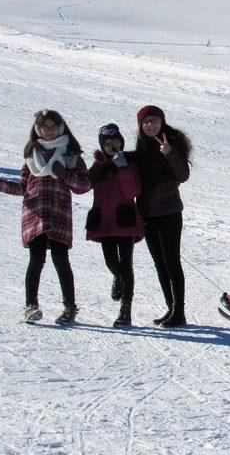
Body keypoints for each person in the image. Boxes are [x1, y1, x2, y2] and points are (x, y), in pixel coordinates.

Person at [0, 110, 91, 324]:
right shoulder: (32, 156)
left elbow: (84, 185)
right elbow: (23, 187)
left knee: (61, 260)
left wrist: (65, 175)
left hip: (58, 213)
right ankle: (31, 305)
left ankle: (70, 308)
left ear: (60, 128)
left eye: (52, 126)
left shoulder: (70, 155)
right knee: (36, 260)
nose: (48, 130)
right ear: (37, 129)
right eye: (43, 127)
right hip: (35, 213)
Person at [134, 105, 191, 327]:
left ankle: (179, 312)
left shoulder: (173, 142)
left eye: (154, 120)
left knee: (172, 262)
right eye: (146, 121)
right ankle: (171, 308)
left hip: (169, 212)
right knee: (159, 263)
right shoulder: (142, 148)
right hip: (148, 214)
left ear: (162, 121)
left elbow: (183, 175)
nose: (150, 125)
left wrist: (170, 153)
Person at [86, 123, 144, 326]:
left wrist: (122, 167)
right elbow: (85, 185)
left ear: (122, 143)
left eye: (115, 142)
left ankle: (125, 311)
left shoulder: (130, 163)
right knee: (111, 262)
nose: (112, 146)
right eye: (108, 143)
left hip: (125, 220)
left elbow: (132, 191)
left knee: (126, 265)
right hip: (104, 222)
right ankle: (117, 277)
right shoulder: (98, 165)